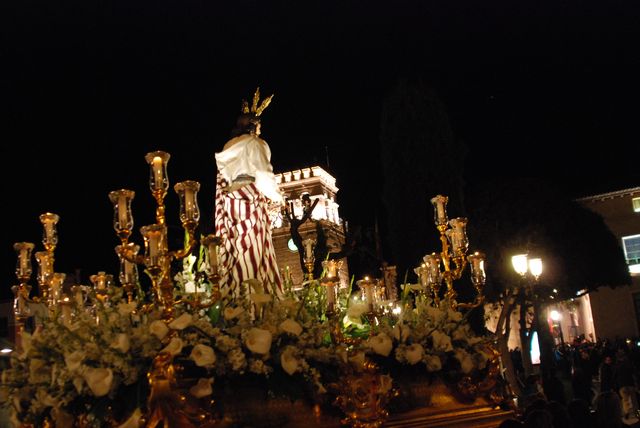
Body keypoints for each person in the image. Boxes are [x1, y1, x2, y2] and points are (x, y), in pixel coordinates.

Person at [214, 88, 284, 299]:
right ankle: (257, 303)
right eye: (260, 127)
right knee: (254, 251)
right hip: (251, 203)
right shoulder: (255, 144)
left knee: (235, 250)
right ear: (254, 127)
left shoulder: (228, 146)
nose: (261, 131)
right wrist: (278, 197)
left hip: (230, 205)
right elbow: (263, 173)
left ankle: (235, 297)